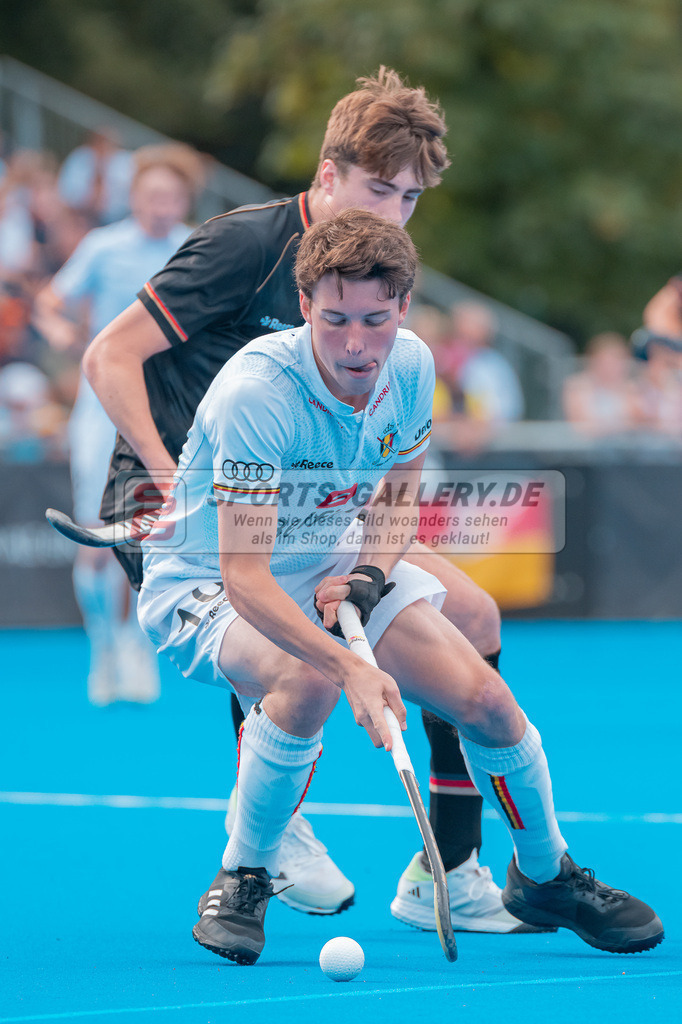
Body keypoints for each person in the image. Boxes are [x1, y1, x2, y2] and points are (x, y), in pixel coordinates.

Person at [136, 209, 663, 964]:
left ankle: (546, 876)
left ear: (403, 308)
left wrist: (367, 579)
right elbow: (245, 575)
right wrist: (353, 665)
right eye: (335, 319)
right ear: (305, 303)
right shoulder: (259, 394)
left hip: (330, 553)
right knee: (310, 680)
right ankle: (243, 873)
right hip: (205, 582)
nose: (357, 344)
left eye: (376, 320)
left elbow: (393, 503)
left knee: (486, 702)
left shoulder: (411, 366)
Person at [83, 68, 521, 930]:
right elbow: (108, 356)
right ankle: (263, 843)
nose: (392, 211)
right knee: (280, 659)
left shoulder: (367, 275)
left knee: (475, 618)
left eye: (409, 196)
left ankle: (452, 871)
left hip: (306, 501)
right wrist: (170, 474)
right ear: (326, 177)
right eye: (374, 187)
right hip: (176, 494)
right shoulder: (246, 247)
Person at [35, 143, 205, 704]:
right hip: (101, 403)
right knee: (95, 526)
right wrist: (62, 335)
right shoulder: (103, 246)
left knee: (154, 526)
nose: (162, 205)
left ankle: (140, 645)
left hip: (173, 402)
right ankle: (103, 645)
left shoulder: (195, 248)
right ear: (133, 197)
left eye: (172, 196)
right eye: (152, 194)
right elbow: (51, 302)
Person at [562, 332, 640, 437]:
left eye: (617, 361)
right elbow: (579, 425)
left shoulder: (630, 388)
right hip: (589, 446)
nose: (612, 367)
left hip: (621, 444)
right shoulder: (577, 386)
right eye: (607, 362)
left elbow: (634, 423)